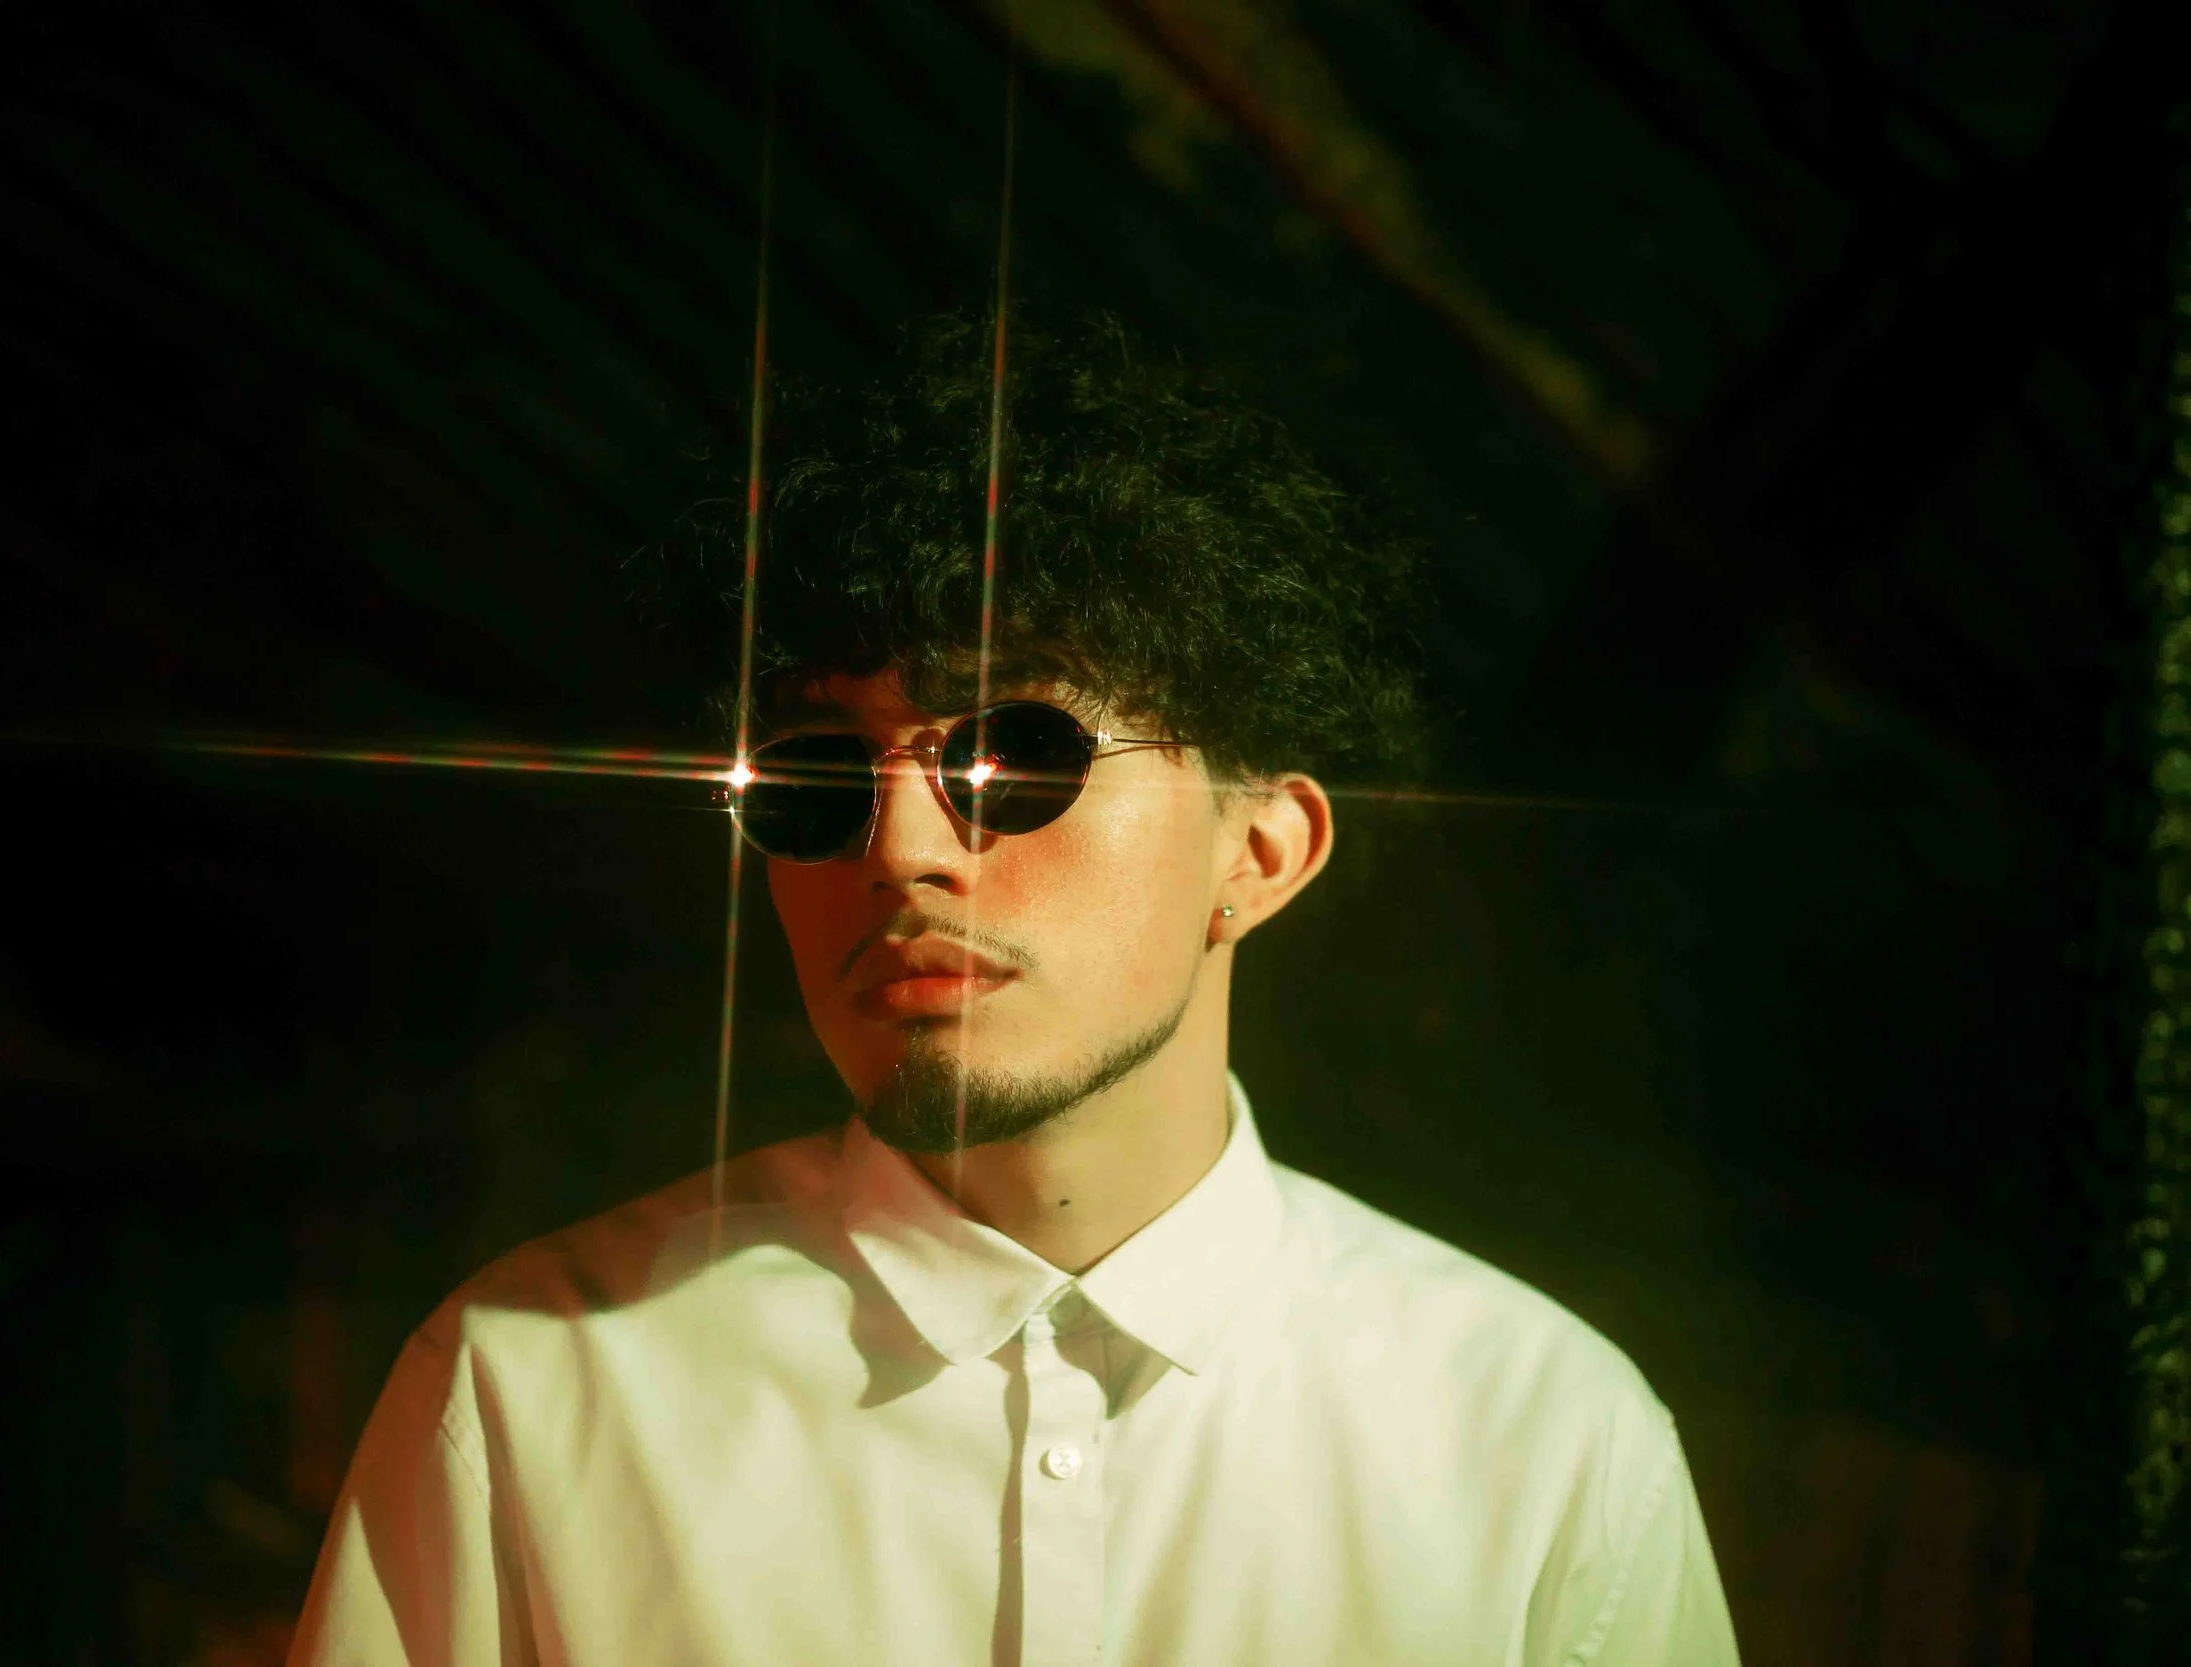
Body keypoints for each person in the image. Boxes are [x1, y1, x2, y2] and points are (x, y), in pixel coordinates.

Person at [287, 313, 1742, 1665]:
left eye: (1017, 754)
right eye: (816, 775)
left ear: (1264, 843)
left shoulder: (1545, 1442)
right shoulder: (535, 1393)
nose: (905, 849)